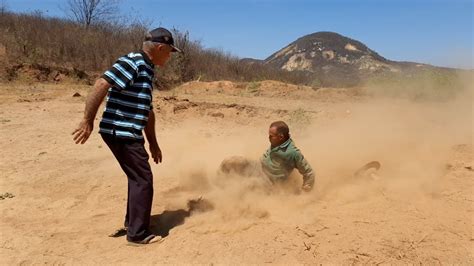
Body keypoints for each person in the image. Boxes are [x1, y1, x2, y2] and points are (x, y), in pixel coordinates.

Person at [72, 27, 181, 244]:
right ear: (160, 48)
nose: (170, 56)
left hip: (127, 131)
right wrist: (87, 120)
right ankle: (137, 234)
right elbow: (102, 83)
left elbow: (147, 111)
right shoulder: (133, 62)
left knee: (137, 177)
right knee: (143, 179)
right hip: (120, 131)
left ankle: (133, 222)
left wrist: (153, 144)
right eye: (169, 52)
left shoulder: (147, 69)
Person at [220, 121, 316, 192]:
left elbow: (309, 172)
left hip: (269, 181)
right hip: (258, 166)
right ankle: (218, 182)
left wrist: (307, 186)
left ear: (281, 137)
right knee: (232, 161)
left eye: (271, 136)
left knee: (246, 186)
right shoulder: (278, 141)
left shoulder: (293, 153)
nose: (269, 138)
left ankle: (221, 199)